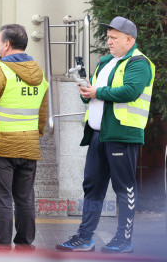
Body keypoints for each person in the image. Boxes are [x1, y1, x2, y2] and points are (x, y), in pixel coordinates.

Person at [56, 16, 155, 254]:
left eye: (114, 38)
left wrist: (96, 91)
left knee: (124, 188)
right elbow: (93, 95)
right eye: (108, 37)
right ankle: (85, 238)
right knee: (92, 186)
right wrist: (85, 91)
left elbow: (130, 91)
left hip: (122, 134)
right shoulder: (105, 61)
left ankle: (123, 240)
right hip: (98, 135)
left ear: (129, 39)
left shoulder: (139, 63)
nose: (109, 41)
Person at [0, 24, 48, 250]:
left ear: (5, 44)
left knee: (2, 201)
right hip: (29, 147)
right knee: (25, 199)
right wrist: (35, 136)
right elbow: (42, 113)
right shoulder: (39, 72)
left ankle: (2, 250)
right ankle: (25, 247)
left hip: (0, 148)